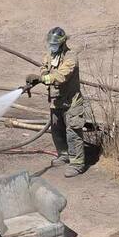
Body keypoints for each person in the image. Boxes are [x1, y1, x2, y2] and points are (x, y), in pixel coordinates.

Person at [25, 27, 89, 177]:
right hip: (56, 101)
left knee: (73, 132)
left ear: (63, 43)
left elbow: (61, 76)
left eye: (55, 44)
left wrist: (43, 79)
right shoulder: (49, 55)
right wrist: (39, 76)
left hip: (71, 102)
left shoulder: (71, 57)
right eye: (50, 43)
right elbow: (43, 67)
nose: (51, 46)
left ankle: (77, 164)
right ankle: (64, 155)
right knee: (57, 130)